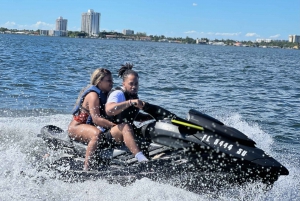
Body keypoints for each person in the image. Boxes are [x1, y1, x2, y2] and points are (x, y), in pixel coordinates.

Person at [68, 68, 147, 171]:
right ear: (99, 81)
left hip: (93, 127)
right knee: (96, 134)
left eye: (112, 80)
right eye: (108, 81)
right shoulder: (93, 95)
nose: (112, 83)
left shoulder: (107, 95)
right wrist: (115, 126)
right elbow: (96, 119)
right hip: (77, 127)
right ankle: (86, 167)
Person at [105, 63, 175, 162]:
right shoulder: (118, 94)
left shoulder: (133, 96)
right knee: (126, 126)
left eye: (136, 84)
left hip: (124, 132)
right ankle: (141, 159)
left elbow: (129, 115)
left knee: (149, 128)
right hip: (109, 134)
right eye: (131, 84)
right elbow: (109, 110)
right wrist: (130, 102)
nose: (134, 86)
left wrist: (151, 117)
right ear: (123, 84)